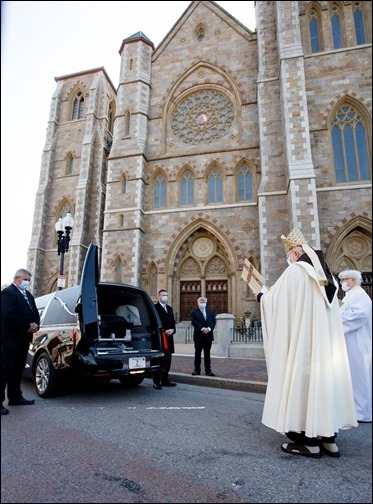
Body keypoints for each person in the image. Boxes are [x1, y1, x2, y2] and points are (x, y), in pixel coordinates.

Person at [252, 228, 357, 458]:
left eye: (289, 255)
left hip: (305, 348)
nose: (288, 259)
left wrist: (261, 296)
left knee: (305, 388)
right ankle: (329, 440)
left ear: (297, 252)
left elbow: (275, 301)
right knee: (325, 387)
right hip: (326, 349)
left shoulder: (297, 272)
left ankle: (308, 442)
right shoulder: (329, 279)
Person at [1, 269, 40, 415]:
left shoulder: (28, 295)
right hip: (10, 339)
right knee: (5, 370)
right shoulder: (8, 293)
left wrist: (36, 324)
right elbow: (9, 313)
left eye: (29, 280)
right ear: (16, 278)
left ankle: (15, 397)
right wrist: (27, 325)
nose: (27, 283)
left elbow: (35, 312)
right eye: (25, 279)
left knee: (18, 369)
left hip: (24, 338)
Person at [338, 270, 372, 423]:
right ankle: (356, 409)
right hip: (352, 340)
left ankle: (363, 412)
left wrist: (337, 317)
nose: (342, 283)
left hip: (358, 341)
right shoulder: (351, 294)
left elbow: (360, 314)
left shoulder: (359, 294)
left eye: (344, 279)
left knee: (360, 376)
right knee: (354, 375)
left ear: (353, 280)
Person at [152, 289, 177, 389]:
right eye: (163, 295)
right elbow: (153, 323)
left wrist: (173, 330)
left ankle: (165, 380)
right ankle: (156, 381)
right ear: (159, 296)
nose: (165, 297)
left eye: (166, 295)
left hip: (169, 339)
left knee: (168, 360)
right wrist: (163, 330)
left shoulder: (170, 309)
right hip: (160, 339)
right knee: (159, 360)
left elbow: (173, 322)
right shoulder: (155, 308)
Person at [191, 297, 216, 377]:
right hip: (199, 336)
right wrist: (202, 329)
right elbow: (194, 322)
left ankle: (208, 371)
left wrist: (208, 329)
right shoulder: (194, 312)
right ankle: (196, 370)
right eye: (201, 301)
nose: (202, 303)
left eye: (203, 301)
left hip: (208, 336)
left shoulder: (211, 312)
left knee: (207, 354)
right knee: (197, 353)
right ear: (198, 303)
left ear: (206, 303)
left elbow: (213, 322)